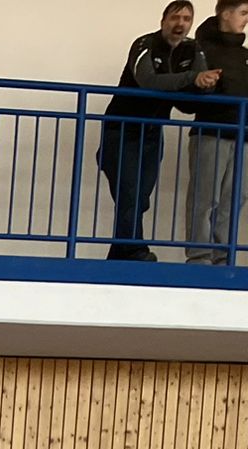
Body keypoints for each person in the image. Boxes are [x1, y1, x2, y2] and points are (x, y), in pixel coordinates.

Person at [100, 4, 213, 261]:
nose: (180, 23)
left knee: (140, 197)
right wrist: (192, 79)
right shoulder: (144, 44)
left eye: (187, 19)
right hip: (122, 127)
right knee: (130, 193)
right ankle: (134, 250)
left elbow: (190, 101)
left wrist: (206, 85)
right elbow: (148, 81)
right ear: (163, 20)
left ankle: (120, 254)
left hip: (152, 131)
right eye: (175, 17)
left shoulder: (193, 49)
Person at [188, 1, 248, 264]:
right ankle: (200, 256)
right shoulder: (201, 49)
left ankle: (222, 256)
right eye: (243, 13)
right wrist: (203, 85)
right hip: (213, 131)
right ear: (226, 14)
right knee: (205, 197)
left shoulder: (244, 55)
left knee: (235, 198)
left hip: (243, 134)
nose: (246, 19)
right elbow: (189, 92)